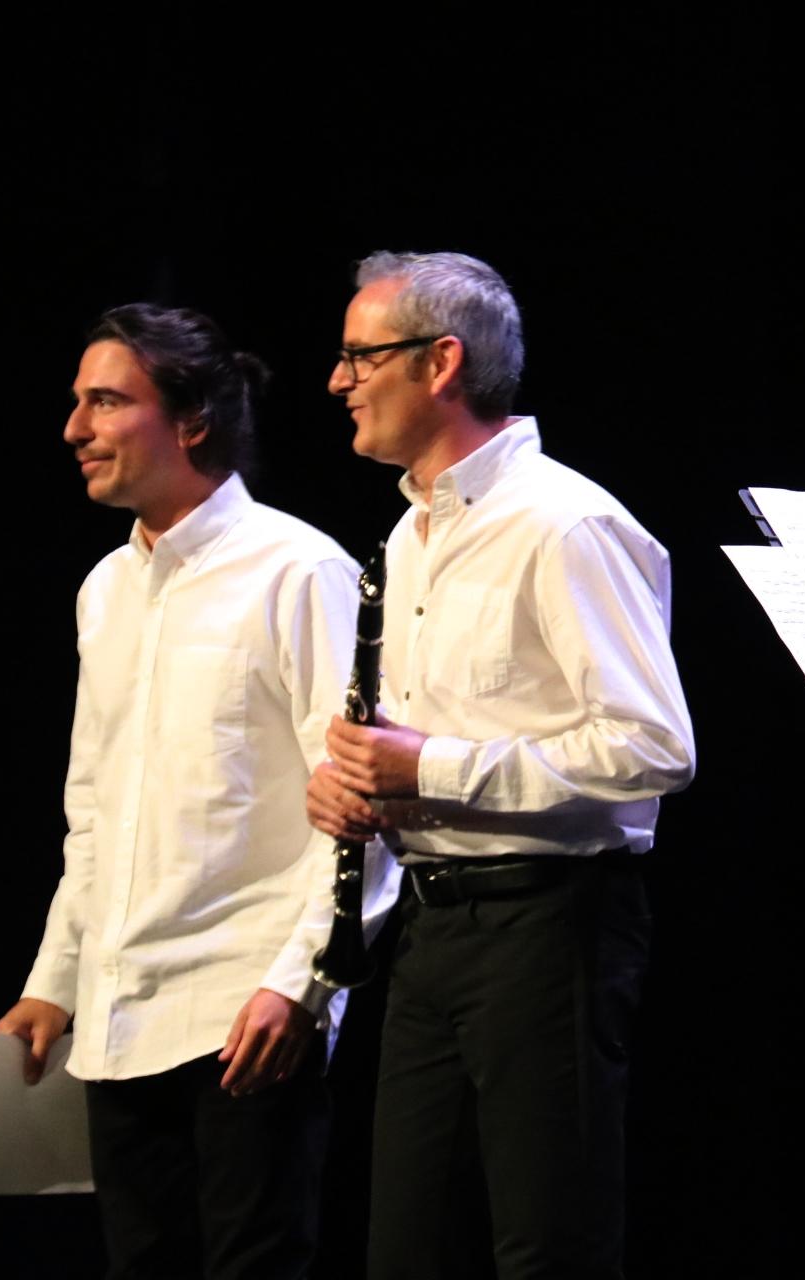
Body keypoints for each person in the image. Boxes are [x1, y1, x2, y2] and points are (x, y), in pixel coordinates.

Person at [304, 251, 696, 1280]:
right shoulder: (409, 533)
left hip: (551, 922)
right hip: (433, 924)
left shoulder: (564, 523)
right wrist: (358, 784)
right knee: (406, 1249)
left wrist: (430, 767)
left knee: (547, 1248)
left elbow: (654, 746)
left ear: (440, 362)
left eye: (359, 356)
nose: (339, 381)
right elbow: (423, 741)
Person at [0, 303, 395, 1280]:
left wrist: (303, 983)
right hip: (119, 1015)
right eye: (78, 402)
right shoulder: (105, 588)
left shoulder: (299, 571)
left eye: (105, 401)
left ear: (192, 420)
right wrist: (55, 980)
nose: (75, 428)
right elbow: (95, 809)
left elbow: (366, 810)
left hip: (243, 1019)